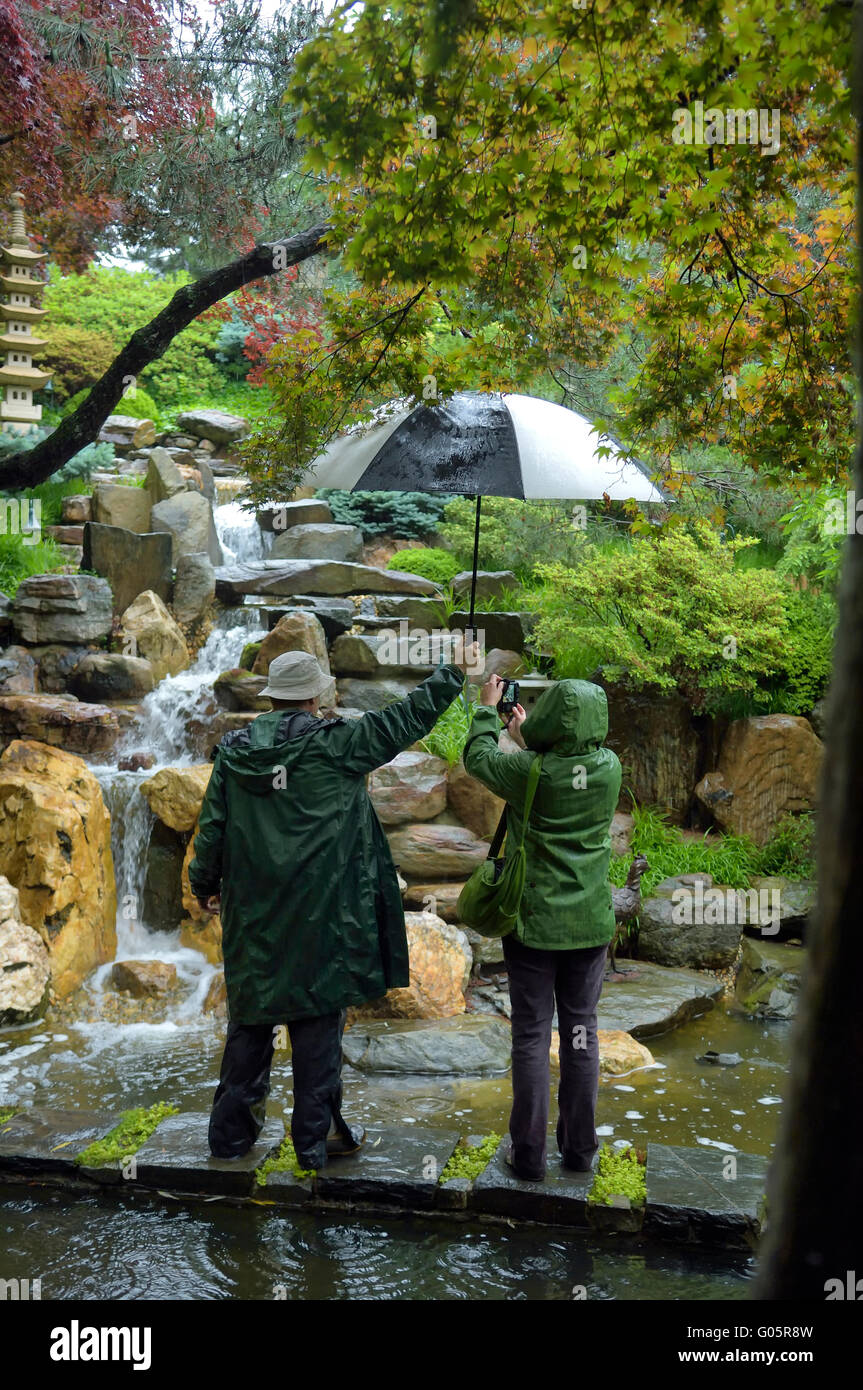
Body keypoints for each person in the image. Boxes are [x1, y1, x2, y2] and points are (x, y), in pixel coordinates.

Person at [189, 643, 476, 1169]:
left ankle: (229, 1146)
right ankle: (313, 1149)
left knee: (250, 1027)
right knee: (317, 1031)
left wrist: (203, 884)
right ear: (317, 695)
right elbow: (405, 718)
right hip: (323, 918)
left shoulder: (235, 751)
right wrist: (454, 670)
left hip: (254, 919)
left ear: (273, 698)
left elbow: (212, 828)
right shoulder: (340, 744)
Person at [463, 673, 621, 1182]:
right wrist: (527, 733)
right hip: (590, 926)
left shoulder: (530, 771)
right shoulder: (609, 768)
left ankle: (527, 1155)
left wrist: (490, 710)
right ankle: (579, 1151)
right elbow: (557, 758)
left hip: (533, 925)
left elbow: (479, 759)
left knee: (531, 1036)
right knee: (580, 1032)